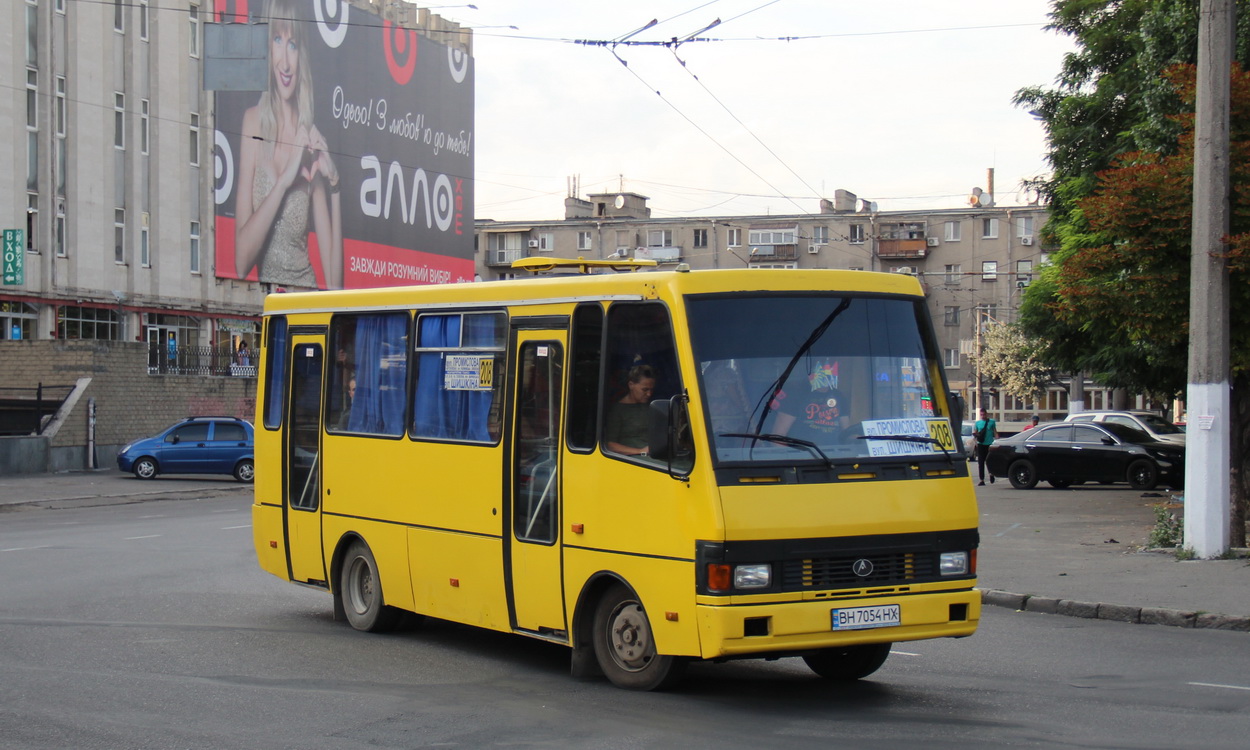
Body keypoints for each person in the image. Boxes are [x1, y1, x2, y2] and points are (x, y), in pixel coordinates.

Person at [234, 0, 343, 290]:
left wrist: (335, 185)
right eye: (278, 40)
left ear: (302, 55)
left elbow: (335, 287)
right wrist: (284, 181)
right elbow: (241, 262)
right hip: (269, 310)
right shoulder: (252, 123)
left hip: (304, 311)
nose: (284, 61)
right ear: (267, 48)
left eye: (293, 45)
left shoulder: (311, 141)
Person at [772, 362, 850, 441]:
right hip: (802, 451)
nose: (826, 378)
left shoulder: (838, 396)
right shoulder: (796, 395)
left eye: (829, 375)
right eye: (822, 375)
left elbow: (847, 433)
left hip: (834, 452)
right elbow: (778, 437)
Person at [605, 364, 656, 457]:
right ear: (631, 385)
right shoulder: (617, 411)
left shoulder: (651, 407)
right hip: (633, 459)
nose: (649, 394)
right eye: (645, 390)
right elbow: (609, 445)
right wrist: (640, 451)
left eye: (651, 390)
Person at [974, 408, 998, 485]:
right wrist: (975, 440)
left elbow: (995, 432)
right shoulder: (977, 423)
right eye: (981, 415)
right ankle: (981, 480)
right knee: (980, 463)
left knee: (989, 461)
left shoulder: (992, 422)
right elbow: (975, 433)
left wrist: (997, 440)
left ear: (986, 414)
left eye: (984, 414)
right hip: (981, 444)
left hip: (989, 444)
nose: (982, 416)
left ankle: (991, 474)